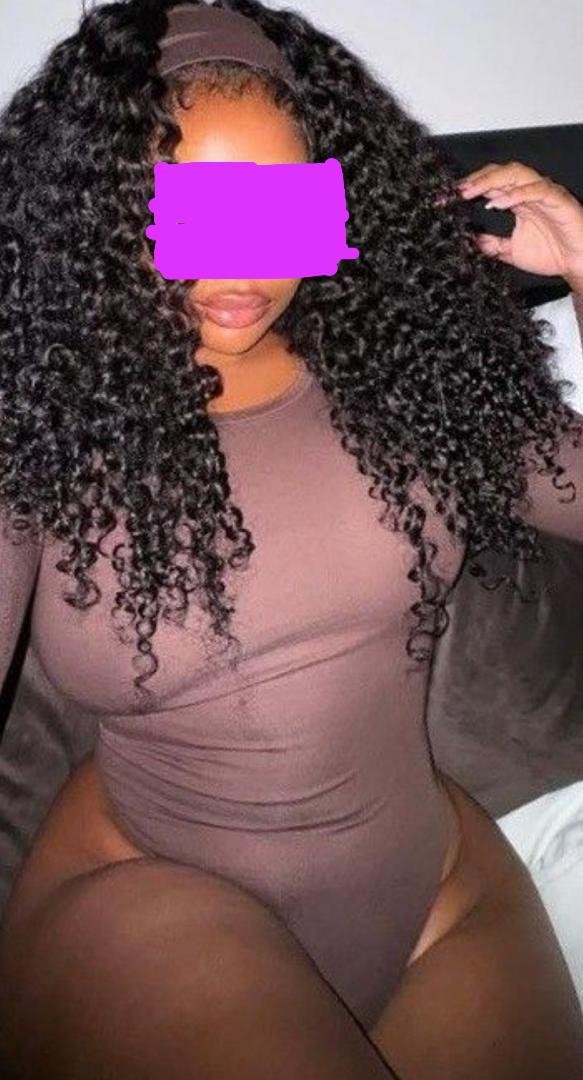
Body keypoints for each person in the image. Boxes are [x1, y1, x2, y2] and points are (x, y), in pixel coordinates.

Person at [0, 1, 582, 1077]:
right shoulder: (41, 419)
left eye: (275, 208)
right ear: (104, 211)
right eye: (187, 209)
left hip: (440, 895)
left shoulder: (412, 383)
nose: (241, 262)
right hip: (153, 903)